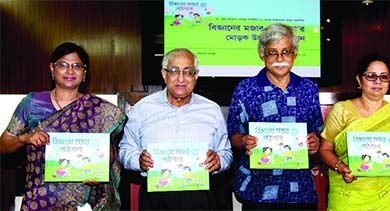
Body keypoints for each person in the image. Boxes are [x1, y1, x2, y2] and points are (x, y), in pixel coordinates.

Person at [0, 42, 127, 210]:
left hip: (81, 204)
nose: (70, 71)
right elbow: (4, 145)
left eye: (77, 66)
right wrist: (25, 138)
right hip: (38, 200)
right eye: (63, 65)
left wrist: (100, 170)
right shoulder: (32, 103)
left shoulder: (99, 109)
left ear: (84, 73)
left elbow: (108, 152)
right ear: (52, 69)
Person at [118, 48, 232, 210]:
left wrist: (219, 161)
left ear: (196, 76)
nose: (181, 78)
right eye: (174, 71)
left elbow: (225, 152)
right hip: (155, 197)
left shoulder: (211, 109)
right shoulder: (143, 108)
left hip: (200, 197)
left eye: (188, 71)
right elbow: (125, 149)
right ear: (164, 74)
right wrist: (138, 160)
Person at [227, 23, 323, 210]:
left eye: (286, 51)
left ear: (294, 53)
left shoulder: (309, 89)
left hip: (300, 191)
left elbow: (316, 132)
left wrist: (314, 143)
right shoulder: (245, 89)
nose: (280, 58)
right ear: (262, 54)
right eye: (272, 52)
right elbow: (233, 135)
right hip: (258, 190)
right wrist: (244, 141)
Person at [319, 54, 390, 211]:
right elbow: (324, 149)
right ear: (359, 80)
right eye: (371, 76)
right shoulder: (341, 110)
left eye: (383, 77)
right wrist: (341, 167)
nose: (378, 81)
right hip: (349, 198)